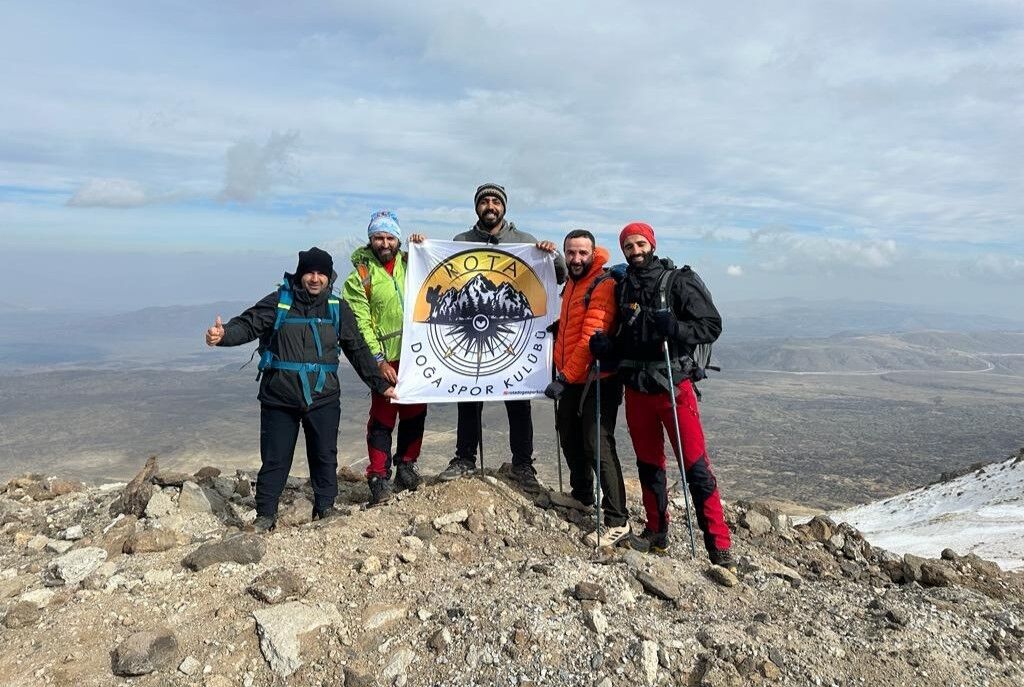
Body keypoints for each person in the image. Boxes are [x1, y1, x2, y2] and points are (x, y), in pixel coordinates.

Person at [205, 247, 395, 532]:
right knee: (275, 457)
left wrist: (380, 385)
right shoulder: (280, 302)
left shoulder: (337, 307)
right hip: (279, 396)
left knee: (324, 454)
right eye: (310, 272)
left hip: (324, 396)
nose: (315, 279)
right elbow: (248, 324)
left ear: (329, 277)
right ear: (300, 274)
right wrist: (223, 336)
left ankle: (325, 508)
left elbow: (357, 349)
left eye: (321, 274)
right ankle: (266, 516)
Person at [589, 223, 735, 570]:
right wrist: (608, 347)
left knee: (696, 467)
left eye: (640, 243)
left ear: (651, 244)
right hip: (637, 388)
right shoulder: (624, 285)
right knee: (649, 465)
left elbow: (711, 326)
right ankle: (657, 533)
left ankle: (719, 546)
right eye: (628, 245)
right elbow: (627, 335)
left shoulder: (678, 281)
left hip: (673, 386)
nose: (635, 250)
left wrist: (677, 329)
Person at [436, 183, 567, 491]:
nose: (490, 206)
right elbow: (442, 277)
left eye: (495, 201)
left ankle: (523, 464)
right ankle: (464, 459)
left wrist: (554, 255)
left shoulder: (526, 242)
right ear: (477, 207)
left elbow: (557, 276)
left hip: (517, 341)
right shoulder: (461, 242)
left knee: (519, 403)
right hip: (468, 336)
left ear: (504, 207)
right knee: (468, 400)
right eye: (484, 202)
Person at [544, 229, 630, 547]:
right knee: (569, 436)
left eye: (582, 253)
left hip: (597, 380)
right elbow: (573, 325)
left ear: (593, 253)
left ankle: (617, 520)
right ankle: (582, 495)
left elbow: (588, 339)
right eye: (571, 253)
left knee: (597, 445)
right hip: (573, 377)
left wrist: (563, 377)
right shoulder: (573, 283)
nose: (576, 258)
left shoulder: (602, 284)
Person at [342, 211, 428, 506]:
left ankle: (407, 465)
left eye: (390, 237)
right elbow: (361, 323)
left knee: (415, 412)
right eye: (379, 237)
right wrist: (378, 362)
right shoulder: (360, 278)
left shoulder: (410, 263)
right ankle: (378, 476)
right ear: (370, 239)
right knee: (383, 418)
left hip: (417, 356)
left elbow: (439, 275)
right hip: (385, 359)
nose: (384, 242)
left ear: (398, 239)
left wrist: (423, 247)